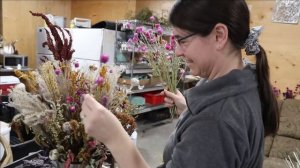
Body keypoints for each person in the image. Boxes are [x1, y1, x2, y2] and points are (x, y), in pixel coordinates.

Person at [80, 0, 280, 167]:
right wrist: (189, 110)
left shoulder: (214, 122)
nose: (176, 52)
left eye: (182, 41)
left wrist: (115, 137)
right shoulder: (245, 81)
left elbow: (214, 130)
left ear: (219, 36)